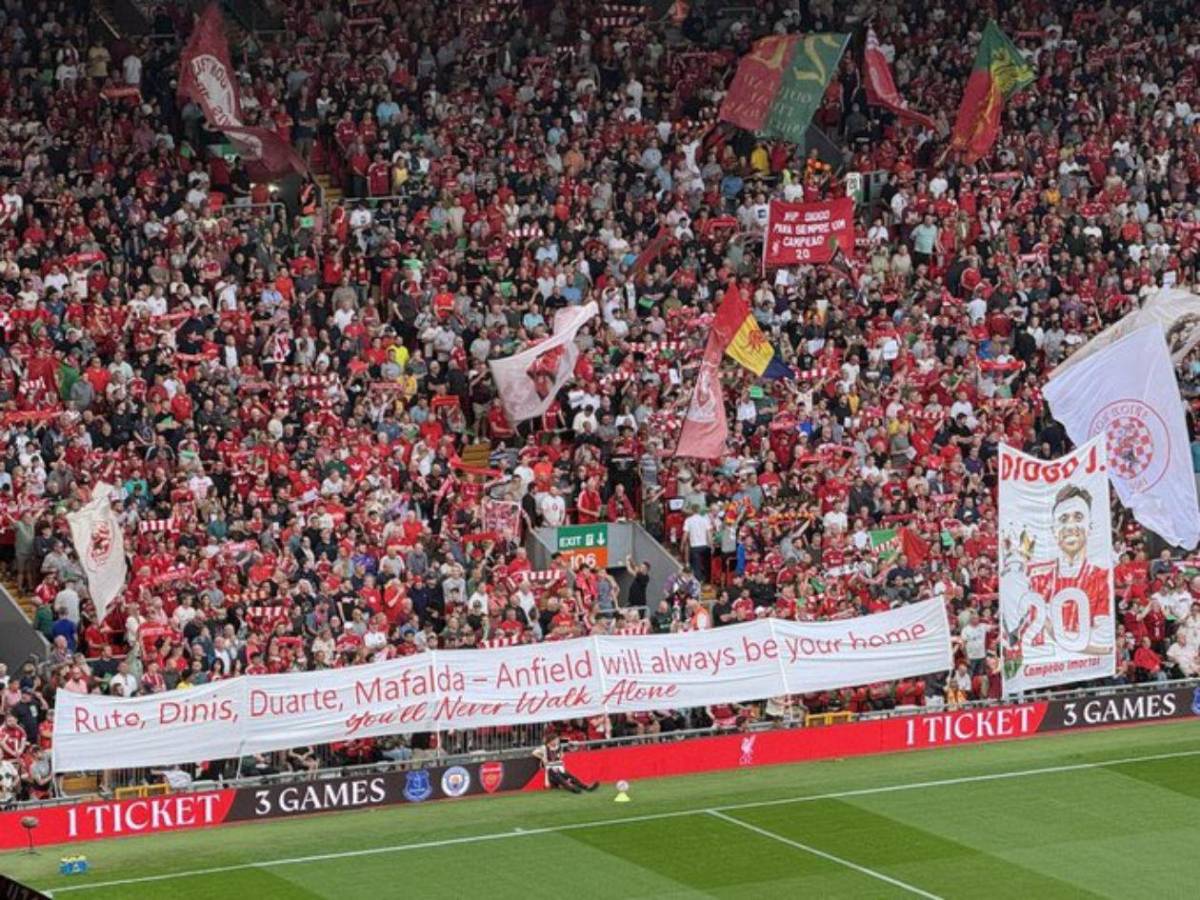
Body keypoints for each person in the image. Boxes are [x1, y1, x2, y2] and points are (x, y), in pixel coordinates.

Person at [1027, 485, 1113, 655]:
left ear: (1090, 527)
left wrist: (1052, 631)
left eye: (1078, 517)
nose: (1070, 526)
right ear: (1053, 530)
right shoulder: (1037, 578)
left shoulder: (1100, 578)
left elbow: (1104, 645)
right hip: (1047, 672)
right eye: (1063, 519)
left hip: (1085, 670)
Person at [531, 731, 597, 794]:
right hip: (550, 768)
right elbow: (534, 753)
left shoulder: (558, 747)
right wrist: (542, 758)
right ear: (551, 741)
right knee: (559, 776)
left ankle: (585, 786)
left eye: (557, 740)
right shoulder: (544, 748)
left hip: (557, 766)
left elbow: (561, 753)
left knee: (570, 775)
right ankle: (572, 788)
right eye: (555, 740)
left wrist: (560, 756)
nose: (557, 741)